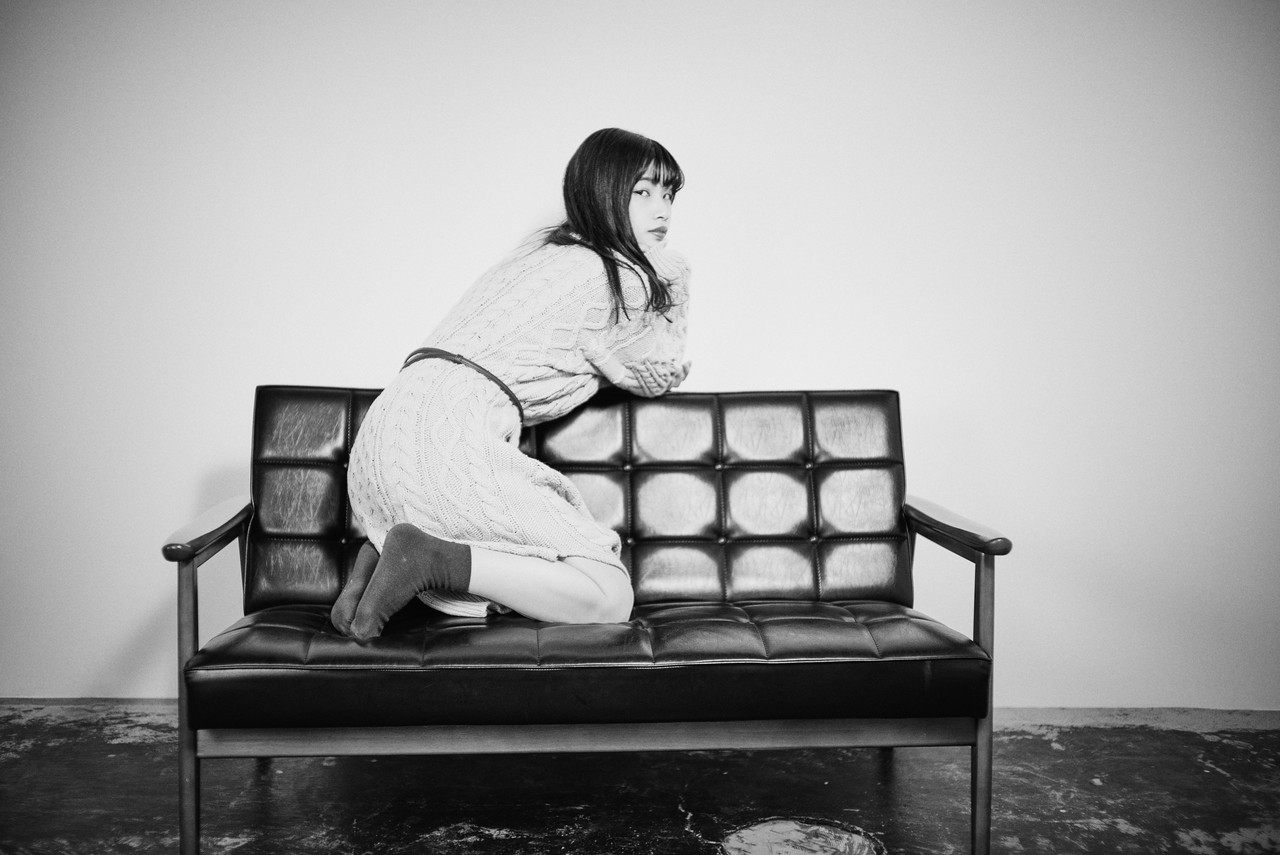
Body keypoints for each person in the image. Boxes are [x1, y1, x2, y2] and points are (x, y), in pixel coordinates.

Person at [331, 128, 691, 639]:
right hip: (447, 432)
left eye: (669, 194)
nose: (662, 211)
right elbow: (662, 370)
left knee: (519, 564)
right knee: (609, 594)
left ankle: (381, 555)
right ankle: (425, 556)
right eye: (643, 191)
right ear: (602, 190)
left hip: (386, 428)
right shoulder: (622, 279)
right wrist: (675, 277)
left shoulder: (541, 250)